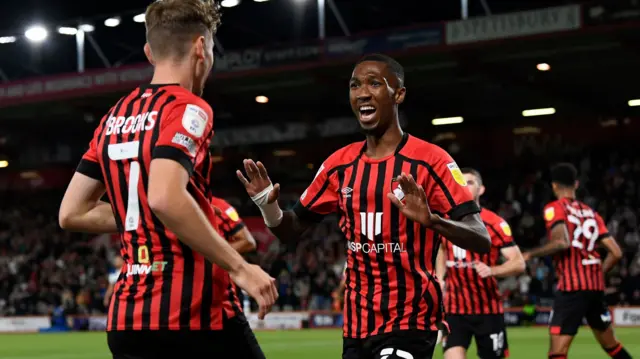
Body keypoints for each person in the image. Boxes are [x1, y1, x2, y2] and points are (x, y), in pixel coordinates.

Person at [58, 1, 277, 358]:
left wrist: (142, 215)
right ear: (200, 47)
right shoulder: (188, 108)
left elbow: (71, 213)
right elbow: (164, 197)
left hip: (128, 320)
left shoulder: (114, 116)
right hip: (194, 316)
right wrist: (241, 268)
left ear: (148, 52)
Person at [237, 53, 491, 359]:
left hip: (411, 319)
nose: (362, 93)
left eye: (374, 83)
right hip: (357, 326)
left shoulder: (431, 160)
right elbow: (289, 230)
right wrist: (267, 205)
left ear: (399, 93)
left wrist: (433, 221)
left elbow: (481, 238)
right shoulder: (338, 165)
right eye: (355, 85)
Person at [523, 163, 631, 359]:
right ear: (576, 184)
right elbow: (616, 253)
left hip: (572, 288)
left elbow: (561, 242)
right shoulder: (592, 213)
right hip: (595, 288)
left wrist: (530, 254)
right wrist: (597, 273)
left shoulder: (554, 208)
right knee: (611, 346)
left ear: (554, 186)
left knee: (557, 352)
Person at [436, 168, 525, 359]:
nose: (465, 187)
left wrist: (492, 270)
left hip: (487, 310)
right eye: (462, 182)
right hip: (454, 309)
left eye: (470, 182)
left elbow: (518, 263)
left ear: (481, 189)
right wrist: (440, 276)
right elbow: (442, 249)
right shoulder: (446, 220)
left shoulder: (494, 223)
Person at [210, 196, 264, 359]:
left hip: (223, 302)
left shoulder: (220, 207)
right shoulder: (173, 204)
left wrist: (211, 256)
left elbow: (248, 241)